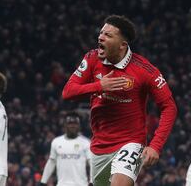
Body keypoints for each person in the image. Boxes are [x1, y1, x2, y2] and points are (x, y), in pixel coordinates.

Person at [62, 15, 177, 186]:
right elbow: (68, 92)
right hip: (99, 145)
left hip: (130, 143)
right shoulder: (92, 58)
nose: (100, 37)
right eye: (101, 33)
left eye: (108, 35)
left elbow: (169, 106)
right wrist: (99, 85)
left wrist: (155, 145)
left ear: (123, 45)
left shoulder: (145, 70)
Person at [40, 112, 92, 186]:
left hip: (81, 184)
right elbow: (51, 162)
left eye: (75, 123)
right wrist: (43, 181)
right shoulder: (56, 142)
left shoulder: (86, 143)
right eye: (70, 123)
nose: (72, 126)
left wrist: (92, 181)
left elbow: (92, 163)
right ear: (65, 125)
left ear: (79, 126)